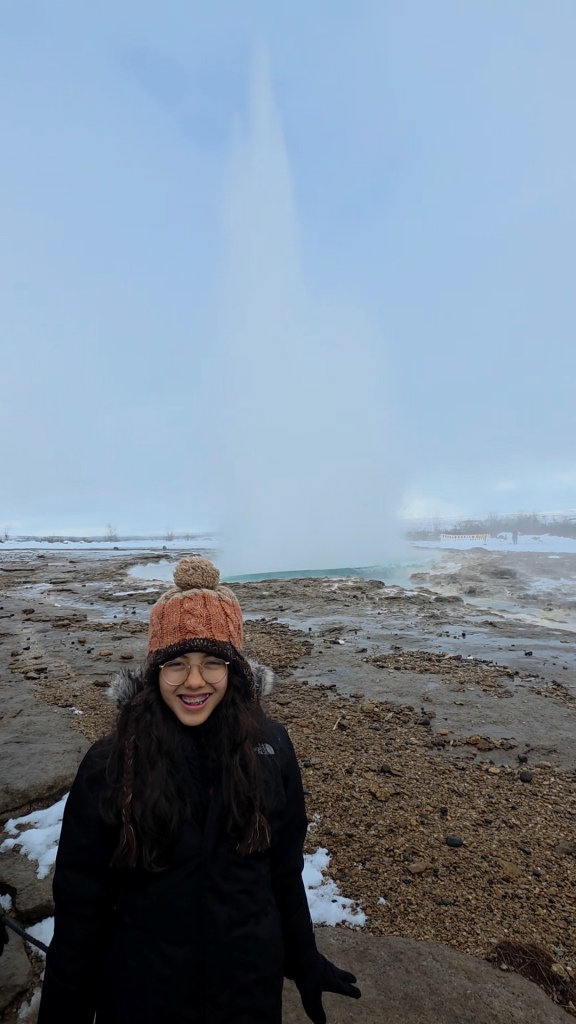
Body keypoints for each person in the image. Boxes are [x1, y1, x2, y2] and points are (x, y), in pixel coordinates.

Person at [38, 556, 360, 1024]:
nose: (194, 680)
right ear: (154, 671)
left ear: (236, 670)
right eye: (176, 664)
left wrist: (303, 957)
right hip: (142, 994)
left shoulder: (270, 748)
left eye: (213, 662)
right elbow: (81, 904)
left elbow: (284, 874)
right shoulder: (111, 763)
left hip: (247, 989)